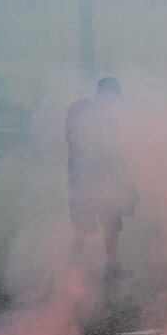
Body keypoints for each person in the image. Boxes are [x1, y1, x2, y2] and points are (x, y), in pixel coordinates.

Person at [65, 77, 139, 279]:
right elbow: (71, 136)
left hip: (104, 179)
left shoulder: (107, 118)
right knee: (82, 223)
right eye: (114, 97)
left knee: (111, 221)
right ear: (105, 94)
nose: (114, 102)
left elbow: (111, 149)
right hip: (83, 178)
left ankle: (111, 265)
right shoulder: (79, 108)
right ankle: (74, 265)